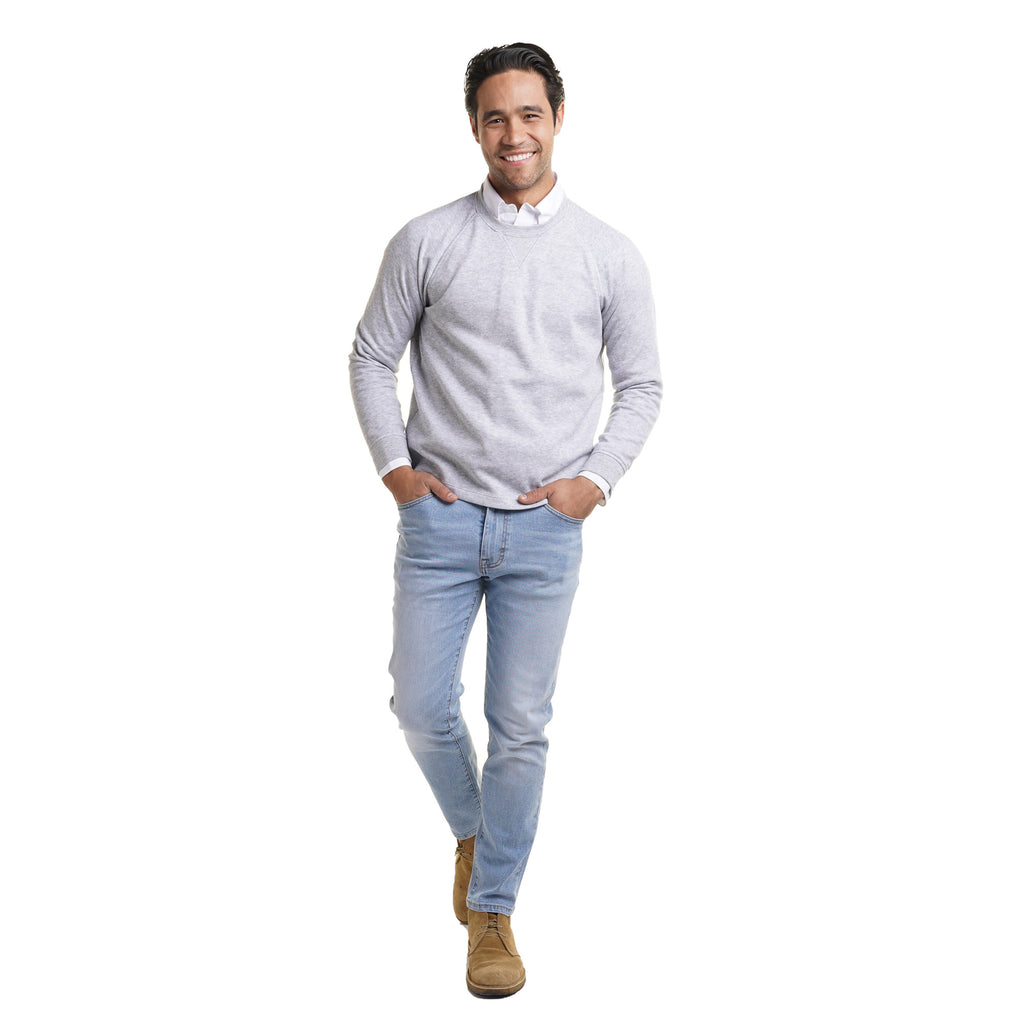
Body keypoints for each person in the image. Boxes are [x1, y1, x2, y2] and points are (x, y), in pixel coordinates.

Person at [349, 42, 661, 998]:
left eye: (530, 114)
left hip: (543, 530)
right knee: (419, 706)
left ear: (558, 118)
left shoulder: (608, 253)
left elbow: (643, 385)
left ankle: (493, 909)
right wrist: (397, 472)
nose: (513, 133)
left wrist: (592, 482)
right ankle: (476, 833)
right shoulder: (428, 240)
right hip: (440, 522)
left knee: (520, 726)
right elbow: (371, 356)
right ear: (475, 127)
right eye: (495, 117)